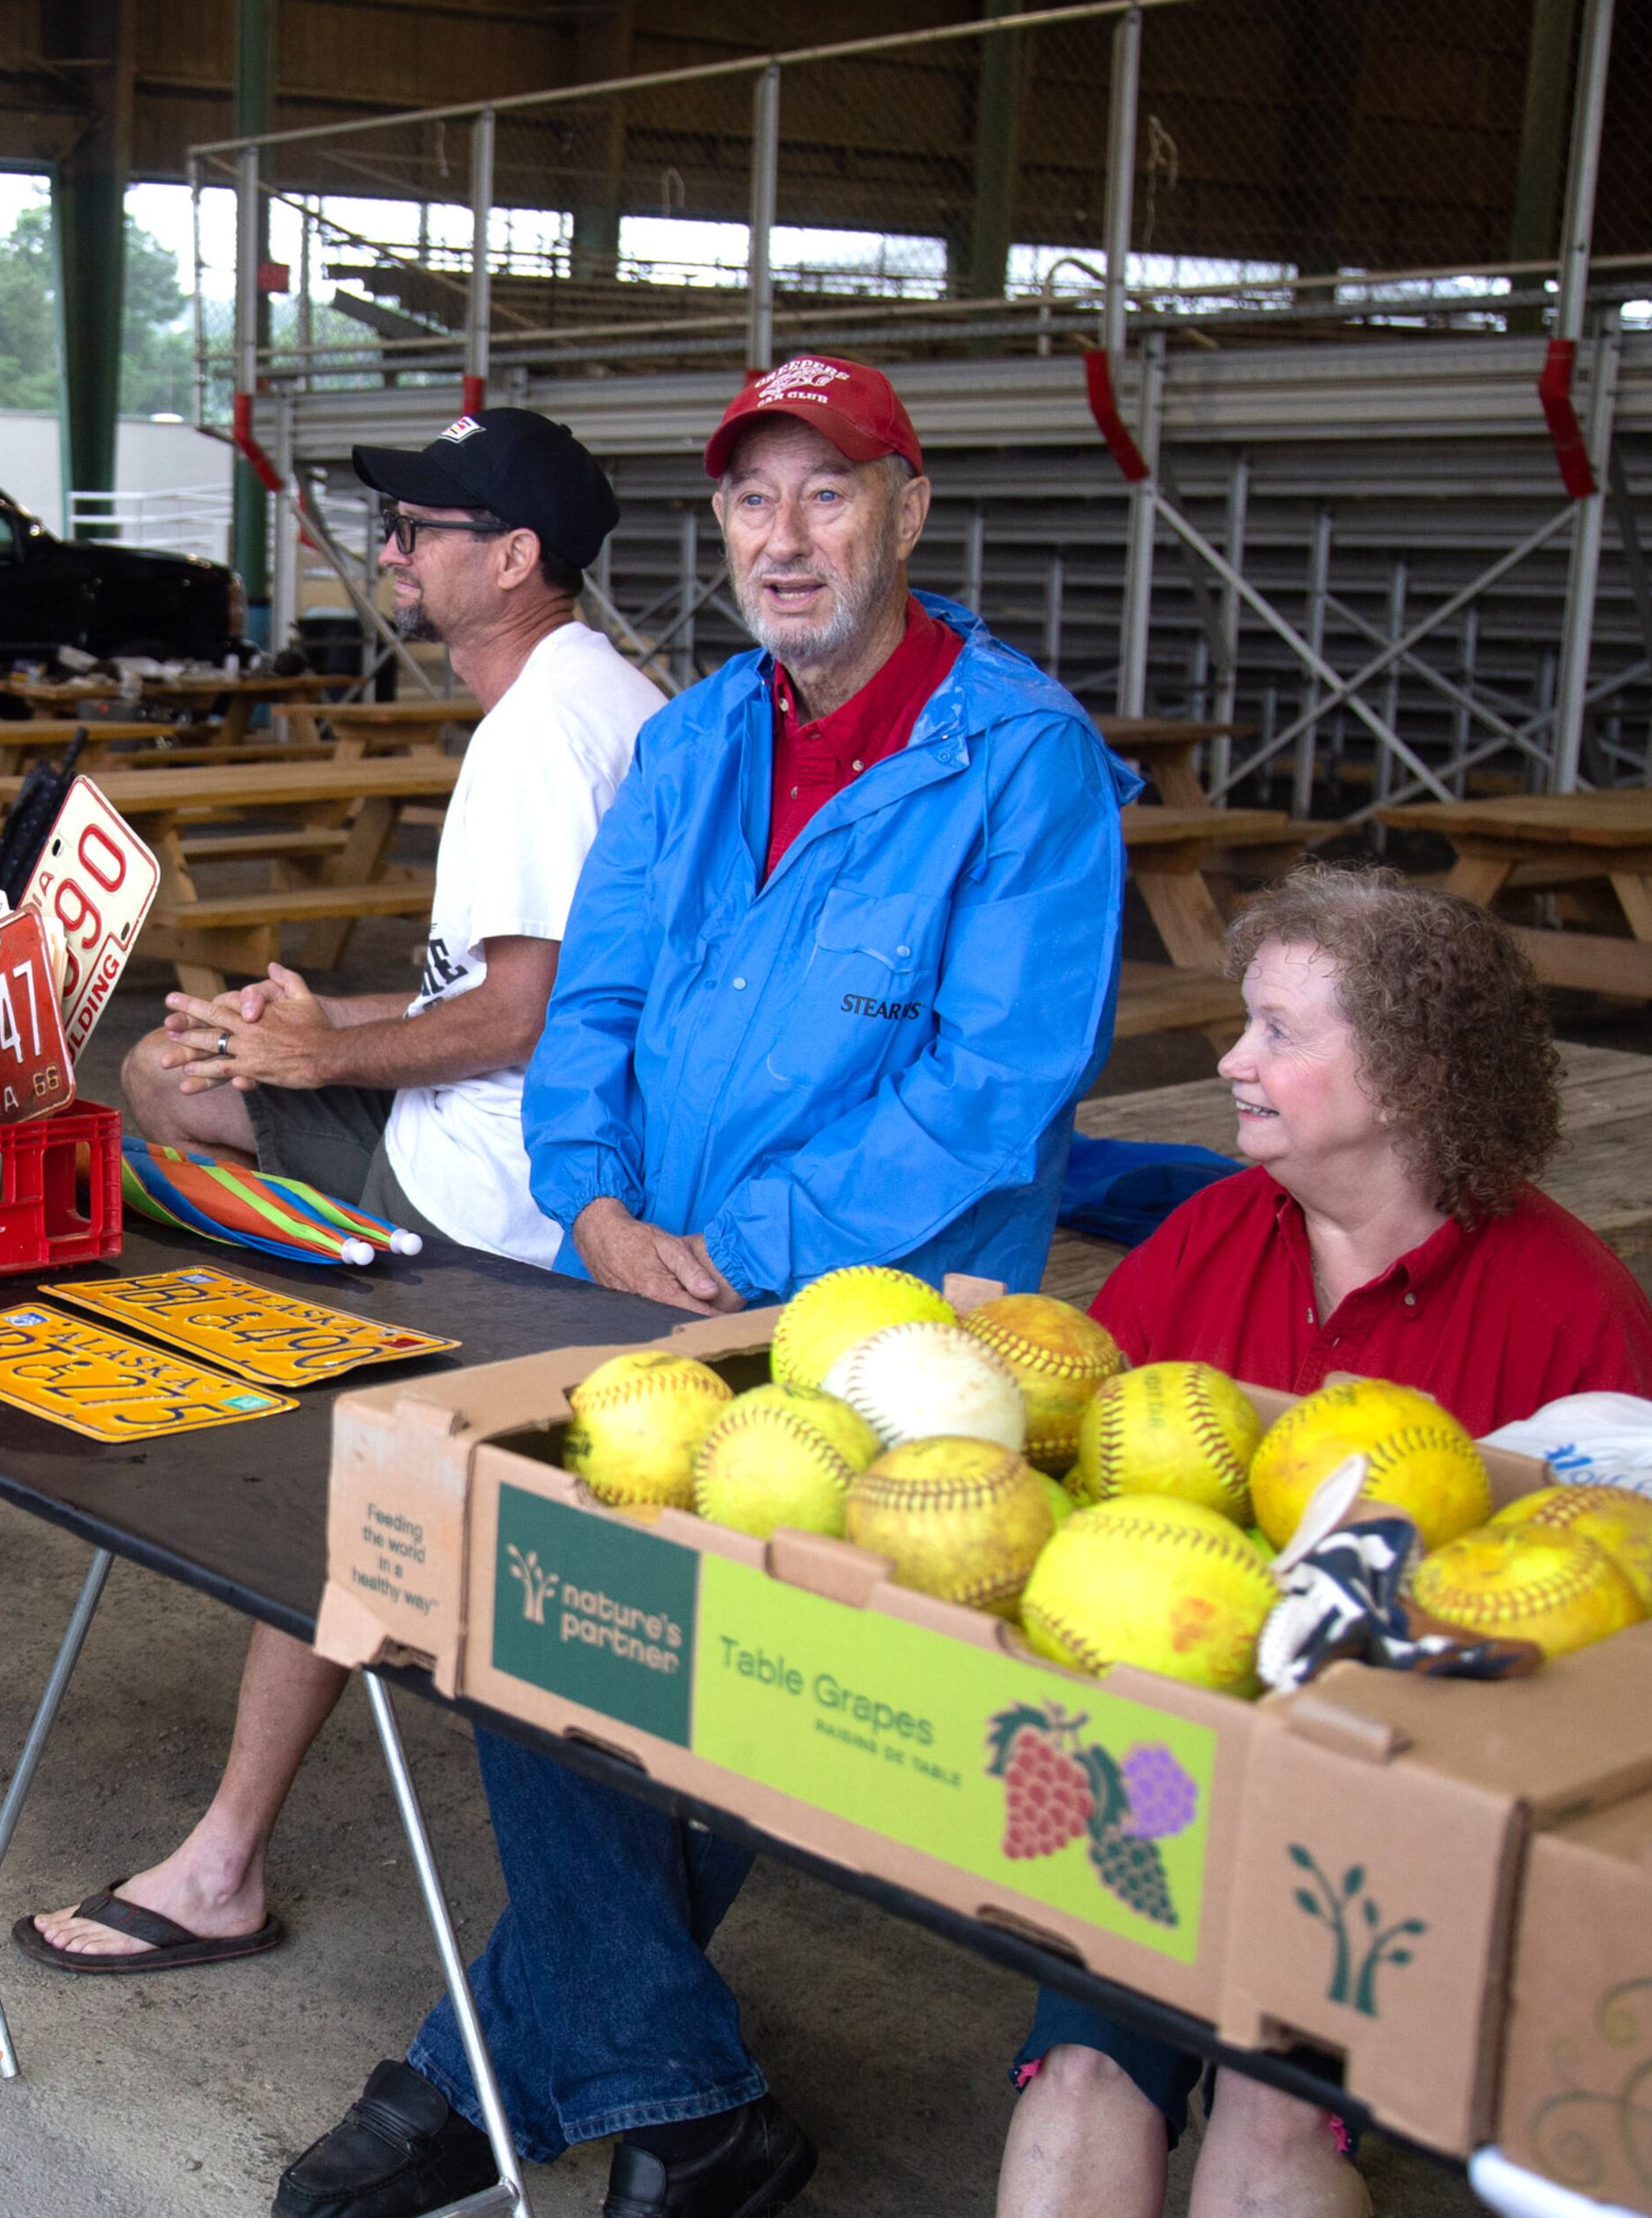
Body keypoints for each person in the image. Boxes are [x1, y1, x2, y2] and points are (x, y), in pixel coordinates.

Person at [273, 353, 1136, 2218]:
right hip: (636, 1283)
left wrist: (762, 1245)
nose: (786, 535)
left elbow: (994, 1083)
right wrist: (583, 1200)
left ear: (908, 509)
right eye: (755, 497)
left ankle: (484, 2073)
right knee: (547, 1652)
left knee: (728, 1697)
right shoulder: (693, 739)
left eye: (831, 491)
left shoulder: (1023, 760)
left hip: (882, 1335)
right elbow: (589, 1006)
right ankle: (676, 2087)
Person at [22, 408, 658, 1975]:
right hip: (505, 1156)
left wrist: (311, 1063)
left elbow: (520, 1019)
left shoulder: (537, 737)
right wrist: (295, 1030)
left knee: (174, 1143)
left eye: (423, 529)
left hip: (492, 1209)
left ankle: (223, 1858)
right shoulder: (597, 699)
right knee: (183, 1076)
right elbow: (519, 994)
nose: (391, 549)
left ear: (514, 561)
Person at [998, 865, 1652, 2218]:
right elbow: (1078, 1488)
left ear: (1414, 1077)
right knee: (1082, 2078)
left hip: (1389, 1826)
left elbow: (1633, 1632)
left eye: (1280, 1034)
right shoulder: (1207, 1237)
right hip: (1171, 1779)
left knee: (1270, 2123)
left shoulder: (1568, 1309)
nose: (1232, 1060)